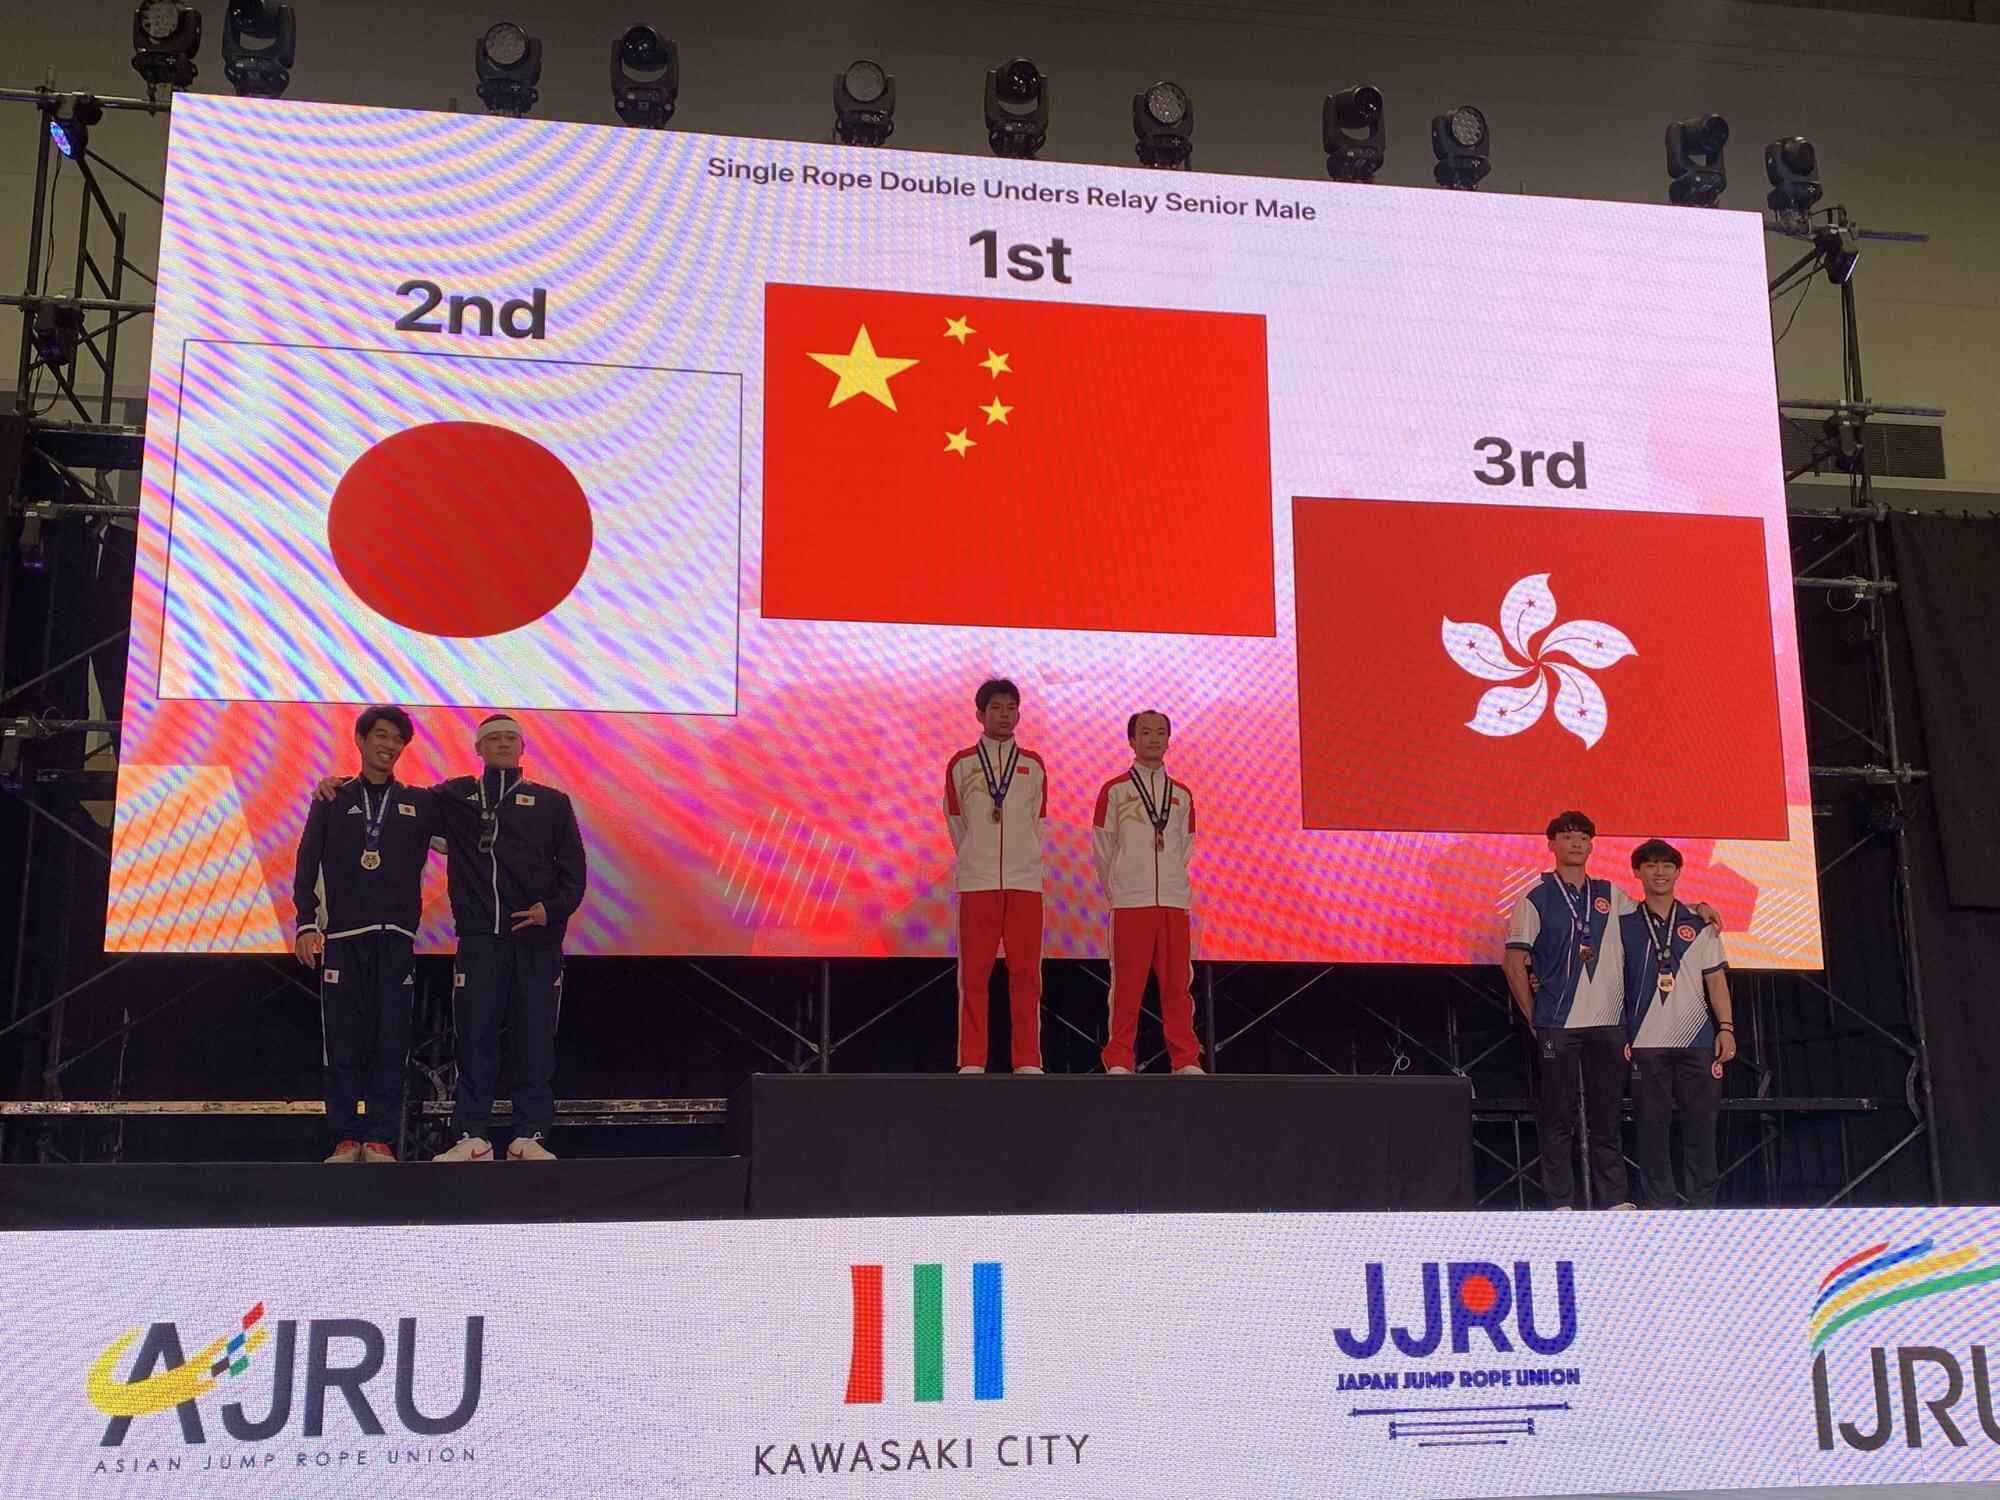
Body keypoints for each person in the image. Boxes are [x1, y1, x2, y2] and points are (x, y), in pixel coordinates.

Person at [319, 712, 588, 1161]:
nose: (503, 744)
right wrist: (340, 785)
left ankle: (531, 1135)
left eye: (511, 738)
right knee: (475, 1041)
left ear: (522, 747)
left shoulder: (552, 802)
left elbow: (575, 872)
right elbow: (387, 794)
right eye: (493, 739)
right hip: (480, 942)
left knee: (535, 1040)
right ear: (478, 749)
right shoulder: (453, 796)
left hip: (537, 942)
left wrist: (552, 909)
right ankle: (471, 1136)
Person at [291, 705, 441, 1164]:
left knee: (391, 1041)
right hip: (343, 939)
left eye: (398, 739)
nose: (389, 745)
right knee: (342, 1042)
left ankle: (378, 1138)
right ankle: (344, 1137)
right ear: (360, 739)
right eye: (381, 735)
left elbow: (462, 837)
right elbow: (307, 860)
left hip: (396, 940)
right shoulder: (332, 798)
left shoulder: (419, 803)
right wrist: (306, 923)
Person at [1620, 838, 1736, 1208]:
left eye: (1667, 865)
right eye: (1651, 865)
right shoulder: (1622, 923)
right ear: (1637, 872)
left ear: (1678, 872)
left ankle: (1703, 1210)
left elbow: (1715, 981)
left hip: (1697, 1043)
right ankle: (1660, 1211)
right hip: (1646, 1043)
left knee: (1701, 1130)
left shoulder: (1700, 924)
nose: (1660, 872)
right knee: (1652, 1133)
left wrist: (1726, 1028)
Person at [1092, 710, 1205, 1076]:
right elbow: (1103, 848)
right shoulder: (1115, 791)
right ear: (1131, 740)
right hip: (1131, 902)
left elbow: (1185, 847)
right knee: (1127, 985)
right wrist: (1121, 886)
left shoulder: (1182, 795)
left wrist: (1170, 880)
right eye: (1145, 733)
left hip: (1172, 902)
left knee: (1178, 986)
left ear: (1169, 740)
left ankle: (1185, 1059)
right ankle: (1119, 1058)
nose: (1153, 739)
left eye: (1160, 733)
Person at [943, 679, 1047, 1074]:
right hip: (978, 883)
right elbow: (956, 821)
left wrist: (1025, 858)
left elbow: (1038, 821)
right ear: (979, 714)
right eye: (996, 708)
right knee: (974, 976)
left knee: (1027, 976)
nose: (1004, 715)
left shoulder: (1033, 765)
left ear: (1019, 714)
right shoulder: (962, 763)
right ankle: (972, 1059)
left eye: (1010, 708)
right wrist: (976, 855)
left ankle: (1027, 1059)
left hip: (1024, 883)